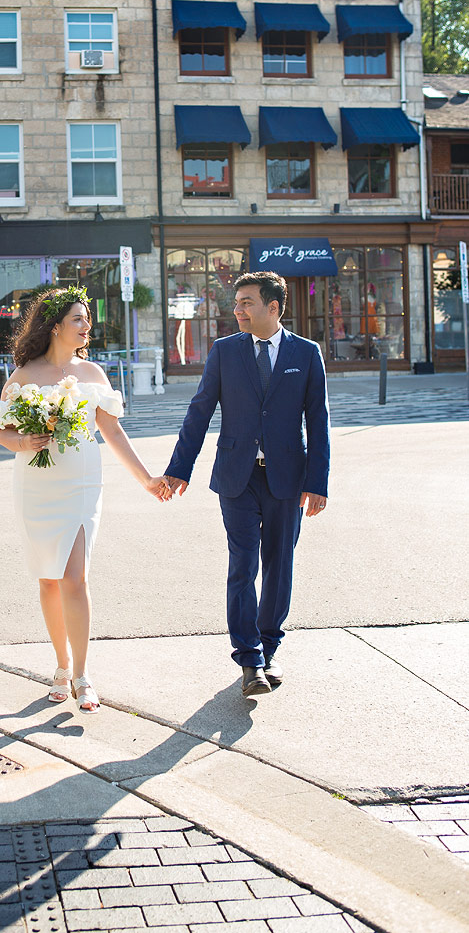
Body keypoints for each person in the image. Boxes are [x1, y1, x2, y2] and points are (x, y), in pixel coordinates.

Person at [0, 286, 171, 713]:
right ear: (55, 326)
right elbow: (1, 430)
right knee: (48, 579)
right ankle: (60, 665)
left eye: (87, 319)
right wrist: (23, 441)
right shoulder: (23, 376)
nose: (87, 325)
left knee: (75, 578)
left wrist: (146, 479)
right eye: (78, 318)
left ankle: (82, 674)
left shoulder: (93, 375)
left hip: (82, 484)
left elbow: (112, 430)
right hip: (36, 486)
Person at [164, 271, 330, 699]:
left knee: (279, 566)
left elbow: (319, 422)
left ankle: (269, 647)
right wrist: (179, 468)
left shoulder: (306, 354)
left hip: (287, 481)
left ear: (273, 307)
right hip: (237, 478)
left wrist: (317, 481)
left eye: (247, 302)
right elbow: (199, 412)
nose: (237, 310)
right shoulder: (224, 352)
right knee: (243, 567)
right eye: (236, 302)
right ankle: (250, 659)